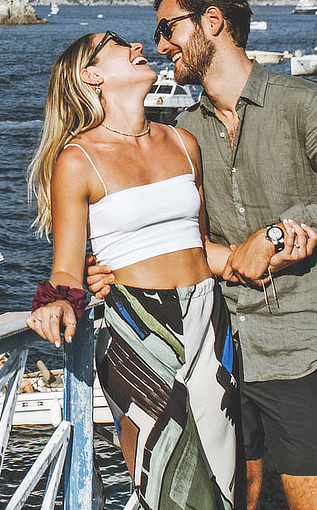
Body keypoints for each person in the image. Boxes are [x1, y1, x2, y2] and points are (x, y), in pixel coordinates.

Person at [90, 0, 317, 510]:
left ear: (212, 21)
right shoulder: (183, 134)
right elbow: (177, 239)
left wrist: (281, 231)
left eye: (166, 28)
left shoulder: (305, 105)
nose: (159, 46)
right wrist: (112, 267)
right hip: (213, 353)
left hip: (295, 352)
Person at [25, 29, 288, 510]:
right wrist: (56, 301)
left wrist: (261, 248)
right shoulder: (77, 160)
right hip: (137, 329)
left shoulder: (183, 142)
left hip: (208, 320)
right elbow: (66, 267)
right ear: (93, 75)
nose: (138, 46)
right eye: (118, 43)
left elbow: (199, 245)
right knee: (164, 479)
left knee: (224, 479)